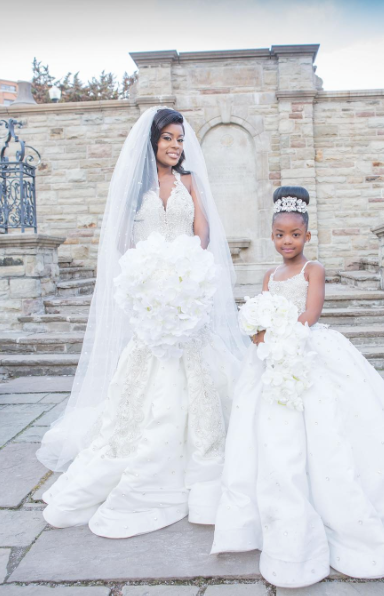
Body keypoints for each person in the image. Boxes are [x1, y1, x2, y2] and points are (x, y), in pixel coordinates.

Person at [211, 185, 384, 588]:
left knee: (332, 428)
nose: (287, 241)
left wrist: (280, 334)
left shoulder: (312, 270)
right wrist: (257, 332)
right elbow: (258, 320)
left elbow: (311, 314)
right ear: (272, 236)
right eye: (280, 234)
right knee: (272, 434)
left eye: (295, 234)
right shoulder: (269, 274)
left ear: (307, 237)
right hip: (271, 357)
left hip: (307, 349)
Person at [37, 107, 247, 538]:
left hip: (187, 288)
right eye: (168, 138)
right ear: (152, 141)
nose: (175, 146)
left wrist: (185, 265)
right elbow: (121, 240)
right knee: (145, 373)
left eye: (181, 139)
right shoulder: (135, 187)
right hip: (152, 294)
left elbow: (203, 233)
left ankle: (204, 460)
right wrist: (148, 272)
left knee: (199, 368)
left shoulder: (188, 181)